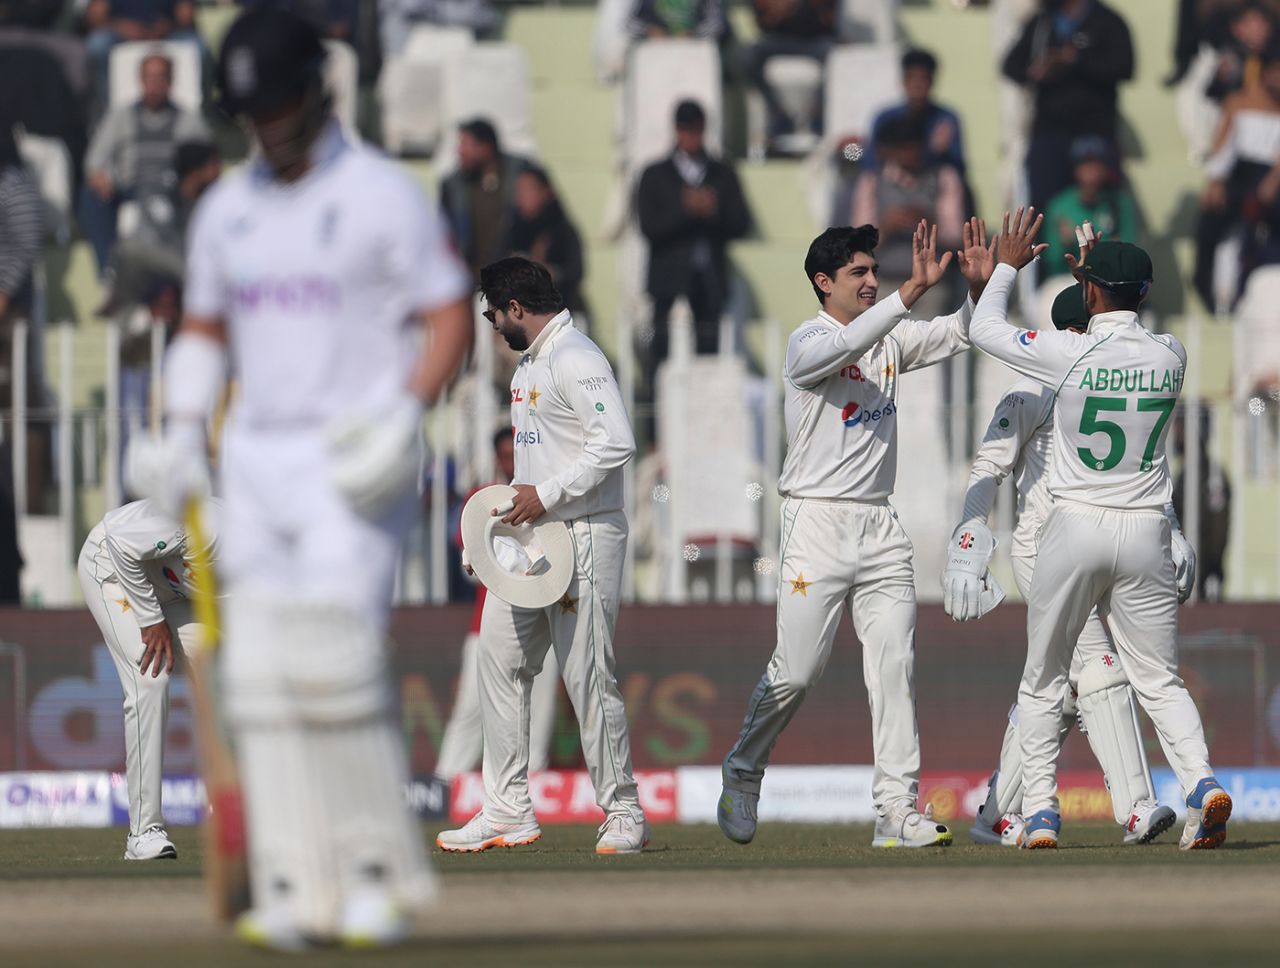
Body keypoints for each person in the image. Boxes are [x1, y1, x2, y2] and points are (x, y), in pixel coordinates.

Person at [126, 9, 473, 949]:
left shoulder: (378, 196)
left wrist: (404, 411)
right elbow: (203, 330)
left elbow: (450, 318)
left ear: (314, 93)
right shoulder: (228, 209)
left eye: (275, 105)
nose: (264, 126)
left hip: (349, 458)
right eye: (249, 111)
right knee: (265, 680)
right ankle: (290, 878)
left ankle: (369, 875)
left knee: (333, 659)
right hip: (256, 464)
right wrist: (183, 429)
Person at [716, 218, 993, 850]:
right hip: (815, 523)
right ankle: (743, 766)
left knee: (894, 663)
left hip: (879, 525)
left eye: (875, 271)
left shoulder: (889, 337)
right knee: (797, 672)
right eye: (858, 274)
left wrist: (984, 288)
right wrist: (908, 295)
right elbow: (847, 349)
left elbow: (962, 334)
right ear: (824, 283)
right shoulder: (805, 342)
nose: (872, 282)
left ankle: (896, 811)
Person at [965, 211, 1231, 851]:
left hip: (1075, 527)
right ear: (1143, 294)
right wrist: (1098, 267)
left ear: (1088, 295)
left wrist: (1004, 265)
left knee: (1043, 679)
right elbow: (1115, 312)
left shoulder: (1069, 353)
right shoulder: (1172, 354)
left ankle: (1040, 815)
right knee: (1160, 680)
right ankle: (1201, 786)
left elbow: (983, 328)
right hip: (1146, 532)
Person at [945, 281, 1184, 848]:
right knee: (1099, 668)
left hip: (1108, 540)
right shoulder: (1030, 390)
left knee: (1057, 685)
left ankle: (995, 814)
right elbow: (989, 464)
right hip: (1044, 549)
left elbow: (1143, 471)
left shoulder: (1108, 381)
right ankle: (1136, 808)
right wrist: (968, 535)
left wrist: (1172, 532)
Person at [437, 257, 648, 855]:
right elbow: (531, 474)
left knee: (587, 674)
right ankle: (507, 809)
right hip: (533, 543)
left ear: (515, 309)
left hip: (584, 534)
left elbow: (618, 442)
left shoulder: (575, 356)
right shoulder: (530, 365)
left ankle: (624, 811)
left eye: (492, 313)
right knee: (497, 661)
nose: (491, 325)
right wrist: (494, 543)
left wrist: (547, 496)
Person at [77, 497, 219, 861]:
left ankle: (232, 815)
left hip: (175, 590)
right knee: (151, 678)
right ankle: (143, 834)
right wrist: (149, 618)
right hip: (113, 566)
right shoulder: (212, 528)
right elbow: (121, 542)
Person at [435, 427, 559, 782]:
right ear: (496, 457)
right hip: (486, 621)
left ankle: (533, 783)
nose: (511, 461)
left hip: (543, 614)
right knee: (471, 708)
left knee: (539, 709)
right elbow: (465, 543)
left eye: (515, 453)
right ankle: (447, 782)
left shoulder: (545, 496)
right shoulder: (481, 497)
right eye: (505, 455)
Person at [635, 100, 752, 389]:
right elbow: (649, 227)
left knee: (709, 351)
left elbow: (741, 223)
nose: (690, 137)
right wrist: (685, 210)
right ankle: (653, 428)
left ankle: (706, 419)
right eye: (685, 129)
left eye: (696, 130)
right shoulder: (654, 174)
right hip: (667, 280)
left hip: (709, 281)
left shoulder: (722, 173)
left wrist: (712, 212)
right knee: (658, 350)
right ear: (676, 130)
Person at [79, 51, 210, 272]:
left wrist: (194, 180)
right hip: (130, 186)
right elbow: (94, 159)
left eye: (160, 78)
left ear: (170, 81)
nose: (154, 84)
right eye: (149, 78)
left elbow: (207, 163)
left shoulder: (190, 121)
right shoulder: (120, 116)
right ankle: (109, 270)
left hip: (173, 188)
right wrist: (99, 176)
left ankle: (195, 267)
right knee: (90, 196)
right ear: (140, 80)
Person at [1002, 0, 1134, 215]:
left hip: (1094, 133)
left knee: (1100, 208)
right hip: (1049, 132)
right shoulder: (1042, 23)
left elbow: (1124, 67)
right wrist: (1037, 71)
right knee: (1044, 208)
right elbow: (1011, 65)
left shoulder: (1107, 20)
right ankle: (1045, 249)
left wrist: (1076, 60)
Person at [852, 112, 965, 320]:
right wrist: (886, 227)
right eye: (903, 147)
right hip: (885, 285)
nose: (909, 154)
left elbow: (956, 236)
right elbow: (857, 244)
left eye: (914, 146)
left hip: (932, 287)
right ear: (891, 150)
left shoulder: (944, 177)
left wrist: (929, 224)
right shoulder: (872, 182)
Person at [1194, 52, 1280, 310]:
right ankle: (1210, 293)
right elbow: (1223, 145)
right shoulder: (1236, 101)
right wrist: (1215, 182)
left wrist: (1272, 182)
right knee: (1211, 226)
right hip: (1239, 174)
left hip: (1271, 178)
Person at [439, 118, 529, 280]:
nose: (460, 152)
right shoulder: (453, 186)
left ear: (485, 147)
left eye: (465, 144)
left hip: (515, 277)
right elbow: (445, 233)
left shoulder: (521, 174)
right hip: (471, 278)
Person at [741, 0, 838, 147]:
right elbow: (762, 24)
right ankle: (778, 115)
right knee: (748, 57)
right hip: (779, 40)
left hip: (815, 40)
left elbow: (830, 21)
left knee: (837, 57)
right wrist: (776, 10)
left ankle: (819, 118)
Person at [83, 1, 203, 114]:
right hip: (119, 33)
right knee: (97, 45)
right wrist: (122, 27)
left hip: (169, 31)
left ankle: (198, 117)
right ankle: (108, 115)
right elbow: (95, 15)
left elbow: (186, 14)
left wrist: (165, 27)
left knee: (199, 49)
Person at [1042, 135, 1138, 272]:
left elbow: (1131, 252)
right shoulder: (1059, 206)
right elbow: (1051, 261)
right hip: (1069, 278)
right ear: (1075, 170)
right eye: (1085, 163)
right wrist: (1065, 245)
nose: (1092, 170)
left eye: (1097, 163)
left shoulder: (1120, 202)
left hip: (1108, 277)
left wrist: (1116, 249)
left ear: (1106, 169)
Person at [867, 48, 967, 179]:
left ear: (932, 82)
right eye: (912, 78)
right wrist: (848, 150)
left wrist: (939, 153)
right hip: (890, 190)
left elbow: (959, 168)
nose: (917, 85)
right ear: (903, 81)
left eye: (923, 79)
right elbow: (867, 157)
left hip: (932, 191)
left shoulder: (945, 119)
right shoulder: (885, 118)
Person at [508, 165, 588, 323]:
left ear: (545, 192)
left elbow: (576, 272)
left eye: (527, 190)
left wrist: (548, 272)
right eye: (519, 190)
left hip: (558, 312)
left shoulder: (562, 230)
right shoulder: (512, 228)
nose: (520, 197)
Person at [626, 0, 728, 42]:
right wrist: (648, 30)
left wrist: (693, 34)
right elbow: (628, 24)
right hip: (655, 56)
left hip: (695, 57)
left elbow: (717, 24)